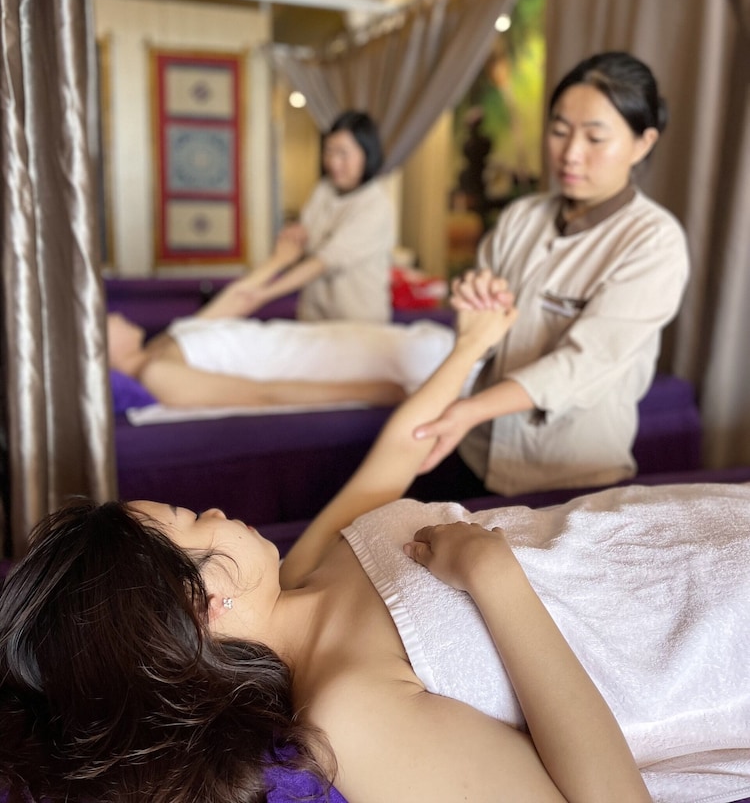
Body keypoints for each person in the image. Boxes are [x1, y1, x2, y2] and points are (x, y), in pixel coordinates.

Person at [0, 299, 665, 803]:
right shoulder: (348, 716)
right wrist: (495, 580)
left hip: (653, 530)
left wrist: (472, 344)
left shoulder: (303, 572)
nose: (213, 511)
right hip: (680, 627)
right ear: (202, 603)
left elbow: (399, 451)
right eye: (192, 520)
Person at [415, 51, 691, 496]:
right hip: (477, 452)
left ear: (643, 143)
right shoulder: (521, 217)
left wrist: (471, 410)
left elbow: (584, 363)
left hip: (568, 473)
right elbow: (481, 326)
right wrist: (472, 293)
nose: (571, 154)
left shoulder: (653, 241)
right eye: (560, 131)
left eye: (595, 138)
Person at [107, 256, 454, 411]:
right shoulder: (157, 374)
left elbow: (237, 301)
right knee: (421, 357)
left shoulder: (160, 344)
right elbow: (261, 395)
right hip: (307, 363)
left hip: (305, 340)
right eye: (106, 320)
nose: (116, 314)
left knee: (413, 343)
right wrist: (369, 392)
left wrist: (279, 259)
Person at [209, 110, 396, 325]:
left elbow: (323, 261)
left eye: (343, 154)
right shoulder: (324, 189)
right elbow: (305, 234)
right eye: (329, 152)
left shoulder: (375, 205)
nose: (334, 163)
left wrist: (264, 294)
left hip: (358, 322)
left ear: (367, 155)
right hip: (313, 317)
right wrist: (295, 234)